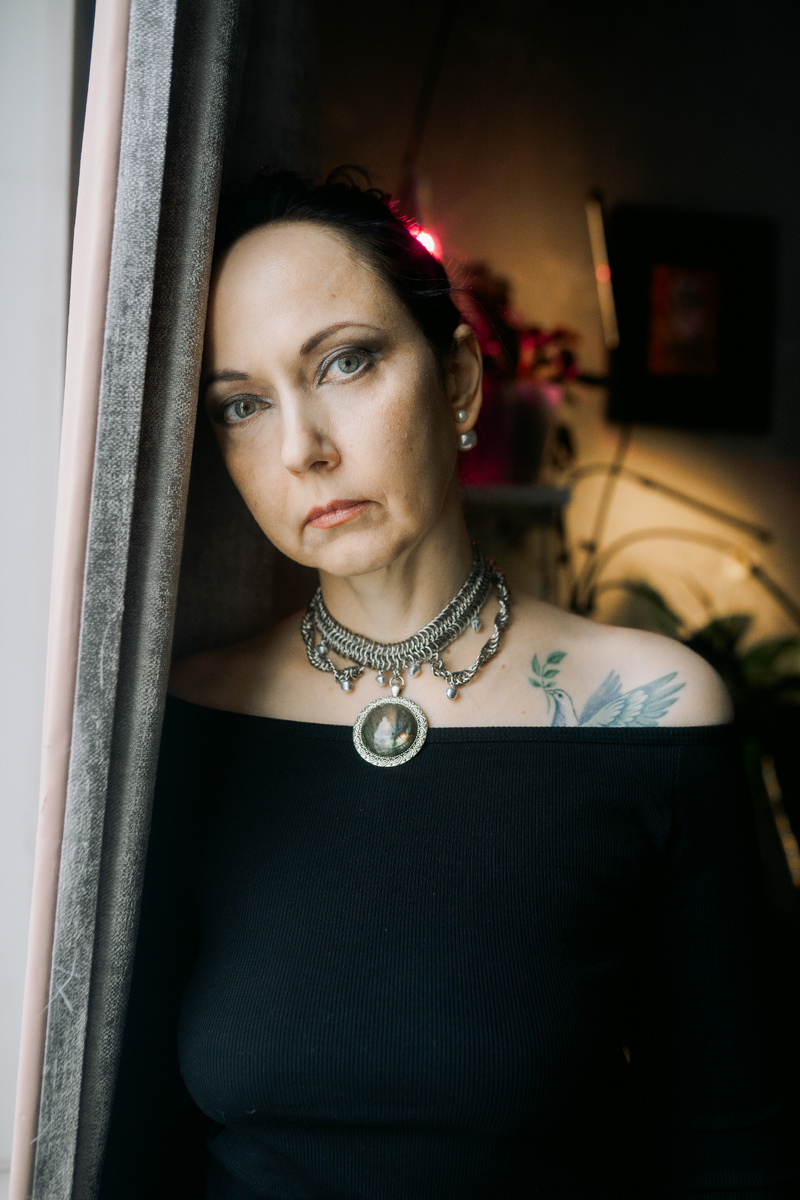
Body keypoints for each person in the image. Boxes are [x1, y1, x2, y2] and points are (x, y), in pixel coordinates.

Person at [101, 171, 797, 1199]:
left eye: (345, 362)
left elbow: (736, 1152)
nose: (301, 449)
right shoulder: (184, 723)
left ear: (459, 378)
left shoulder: (653, 716)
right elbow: (129, 1145)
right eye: (241, 404)